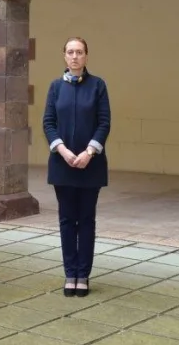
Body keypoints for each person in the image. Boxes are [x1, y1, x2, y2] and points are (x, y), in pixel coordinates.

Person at [42, 36, 110, 297]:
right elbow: (48, 122)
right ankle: (70, 273)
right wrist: (64, 150)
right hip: (63, 164)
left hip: (90, 165)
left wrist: (88, 152)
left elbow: (104, 123)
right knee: (67, 220)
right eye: (70, 52)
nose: (74, 57)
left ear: (86, 56)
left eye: (79, 52)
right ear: (64, 56)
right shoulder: (55, 87)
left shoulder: (98, 86)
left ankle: (84, 274)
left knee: (86, 220)